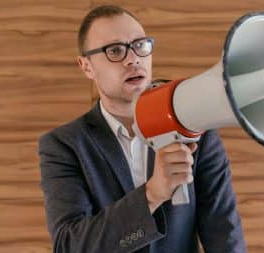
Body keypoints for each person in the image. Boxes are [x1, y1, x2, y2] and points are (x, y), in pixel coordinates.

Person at [38, 4, 246, 253]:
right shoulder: (63, 145)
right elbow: (69, 245)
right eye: (115, 50)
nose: (133, 58)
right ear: (86, 66)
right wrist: (151, 194)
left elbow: (224, 232)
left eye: (140, 45)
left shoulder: (195, 127)